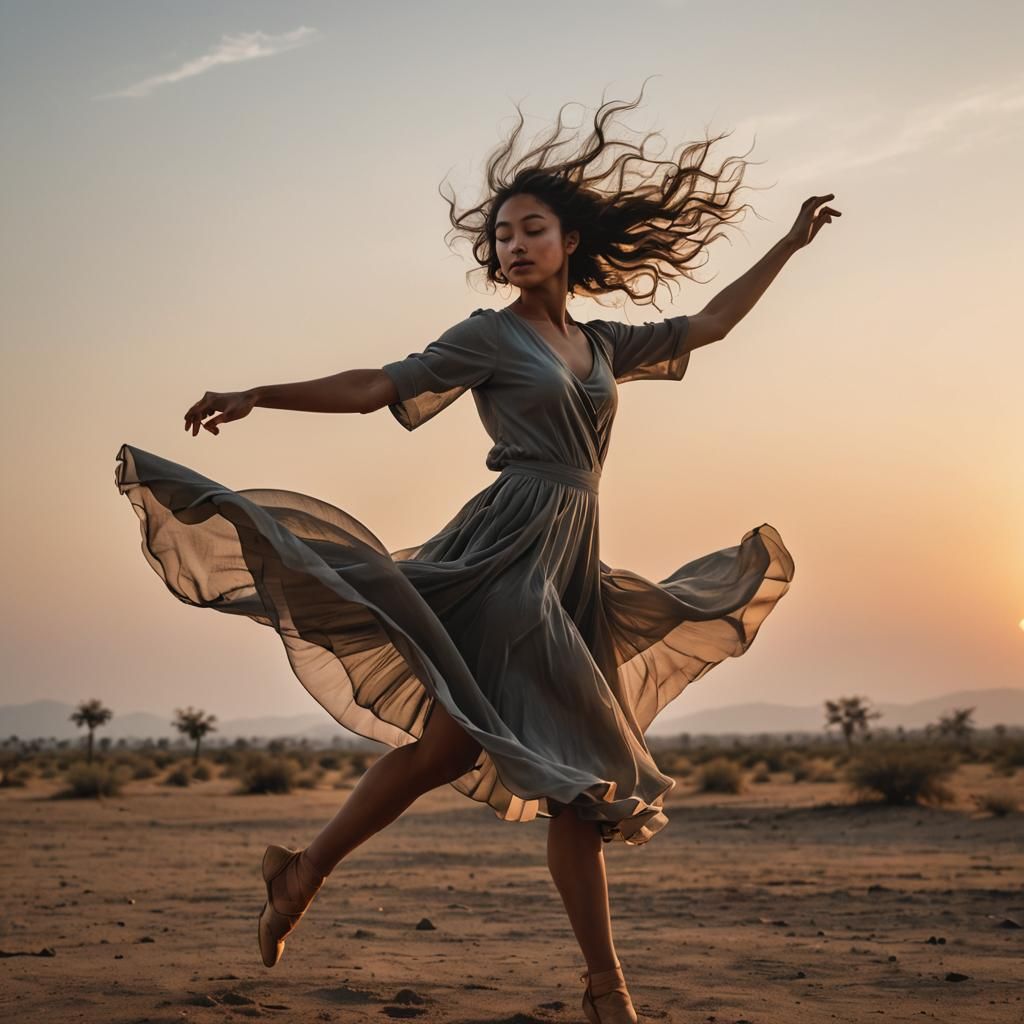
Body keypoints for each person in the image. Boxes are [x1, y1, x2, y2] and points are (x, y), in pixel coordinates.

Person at [114, 86, 838, 1023]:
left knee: (468, 754)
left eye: (531, 229)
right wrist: (261, 392)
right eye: (500, 237)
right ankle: (607, 990)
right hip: (506, 557)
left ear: (569, 240)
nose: (513, 246)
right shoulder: (487, 338)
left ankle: (302, 875)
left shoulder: (602, 341)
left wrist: (786, 246)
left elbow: (710, 326)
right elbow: (380, 384)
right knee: (574, 770)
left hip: (571, 566)